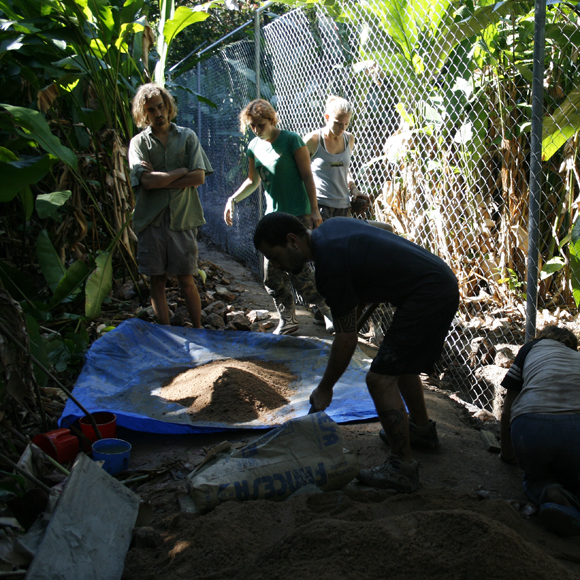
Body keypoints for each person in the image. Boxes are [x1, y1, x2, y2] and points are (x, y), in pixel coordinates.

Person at [253, 213, 459, 493]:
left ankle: (402, 468)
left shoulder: (329, 268)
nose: (276, 265)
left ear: (292, 241)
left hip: (428, 294)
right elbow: (383, 231)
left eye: (274, 257)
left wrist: (325, 388)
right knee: (400, 364)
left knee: (379, 379)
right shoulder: (331, 227)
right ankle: (421, 431)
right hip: (437, 280)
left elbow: (346, 338)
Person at [223, 99, 333, 335]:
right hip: (272, 220)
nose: (256, 130)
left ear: (273, 120)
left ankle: (327, 311)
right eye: (252, 126)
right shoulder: (253, 146)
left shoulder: (291, 140)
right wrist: (233, 199)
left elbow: (307, 176)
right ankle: (288, 319)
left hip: (297, 217)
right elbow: (253, 181)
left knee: (301, 271)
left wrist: (314, 210)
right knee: (271, 274)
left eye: (260, 124)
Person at [128, 83, 213, 328]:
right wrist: (180, 171)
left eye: (160, 107)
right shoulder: (139, 144)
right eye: (151, 110)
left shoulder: (187, 137)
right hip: (151, 221)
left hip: (182, 218)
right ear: (143, 114)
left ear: (168, 106)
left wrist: (161, 178)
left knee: (187, 279)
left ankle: (197, 330)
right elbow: (146, 181)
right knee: (157, 281)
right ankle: (165, 334)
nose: (158, 114)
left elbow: (198, 178)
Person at [500, 325, 580, 537]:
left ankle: (549, 492)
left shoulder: (530, 348)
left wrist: (507, 454)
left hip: (531, 426)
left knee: (535, 476)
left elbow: (508, 409)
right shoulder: (576, 357)